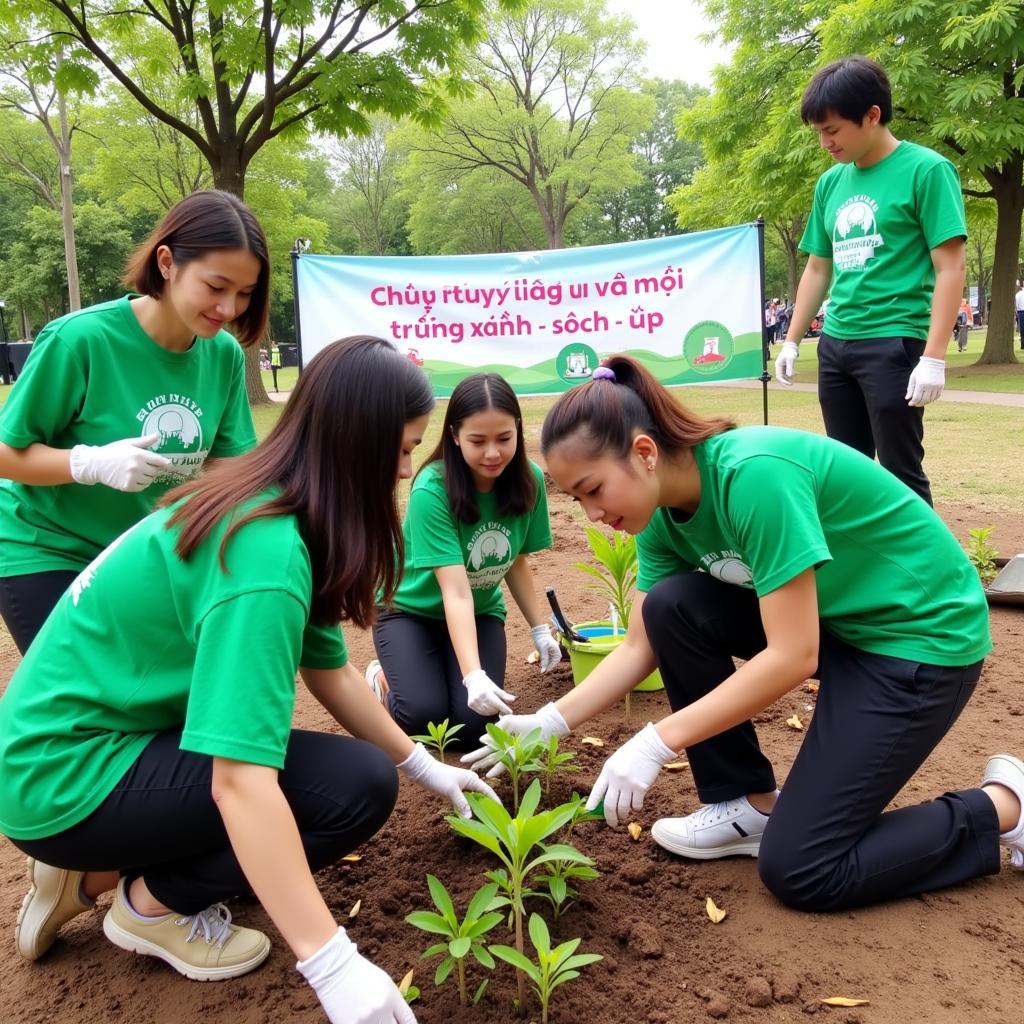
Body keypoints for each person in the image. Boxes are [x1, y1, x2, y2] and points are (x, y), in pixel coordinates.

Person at [0, 336, 497, 1024]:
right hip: (63, 772)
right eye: (404, 448)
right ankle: (147, 906)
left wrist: (423, 766)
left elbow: (330, 670)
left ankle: (90, 874)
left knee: (364, 774)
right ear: (357, 442)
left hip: (82, 744)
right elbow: (239, 782)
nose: (407, 470)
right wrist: (334, 966)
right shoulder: (264, 552)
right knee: (349, 792)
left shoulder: (273, 502)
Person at [465, 355, 1024, 914]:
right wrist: (550, 721)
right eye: (576, 499)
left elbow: (793, 655)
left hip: (920, 640)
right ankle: (745, 804)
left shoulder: (754, 476)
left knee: (804, 870)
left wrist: (658, 741)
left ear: (643, 453)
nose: (591, 513)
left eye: (593, 490)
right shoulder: (659, 516)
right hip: (843, 628)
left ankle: (1006, 807)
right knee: (671, 607)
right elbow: (642, 644)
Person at [0, 189, 267, 655]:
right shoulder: (80, 340)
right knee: (81, 697)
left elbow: (230, 470)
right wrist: (88, 463)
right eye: (216, 286)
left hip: (136, 550)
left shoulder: (223, 354)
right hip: (44, 547)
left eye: (244, 294)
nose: (228, 308)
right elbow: (6, 453)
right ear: (167, 262)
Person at [774, 57, 967, 506]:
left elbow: (950, 268)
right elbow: (818, 268)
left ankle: (928, 575)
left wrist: (934, 357)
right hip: (836, 344)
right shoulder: (830, 183)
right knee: (846, 473)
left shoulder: (927, 170)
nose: (825, 142)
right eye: (819, 132)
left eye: (834, 130)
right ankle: (864, 573)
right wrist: (791, 340)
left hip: (893, 342)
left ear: (873, 115)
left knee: (901, 473)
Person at [365, 372, 561, 749]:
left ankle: (439, 677)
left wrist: (540, 628)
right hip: (409, 611)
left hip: (479, 612)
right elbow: (454, 591)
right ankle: (383, 681)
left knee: (474, 730)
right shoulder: (432, 489)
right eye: (477, 441)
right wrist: (472, 676)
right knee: (422, 718)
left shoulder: (530, 481)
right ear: (454, 436)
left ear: (518, 430)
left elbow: (515, 560)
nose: (493, 453)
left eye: (504, 438)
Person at [1015, 281, 1024, 350]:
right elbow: (1017, 304)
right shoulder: (1018, 294)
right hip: (1021, 312)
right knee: (1022, 328)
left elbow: (1017, 304)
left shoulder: (1018, 294)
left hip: (1021, 312)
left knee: (1022, 328)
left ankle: (1023, 344)